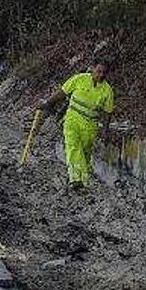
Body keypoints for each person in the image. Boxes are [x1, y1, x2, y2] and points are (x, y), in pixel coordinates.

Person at [39, 58, 114, 192]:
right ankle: (76, 180)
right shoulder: (79, 79)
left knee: (85, 153)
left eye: (104, 73)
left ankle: (82, 181)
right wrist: (48, 102)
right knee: (73, 147)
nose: (101, 75)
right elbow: (63, 92)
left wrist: (105, 131)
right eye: (98, 71)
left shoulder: (107, 91)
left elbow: (107, 112)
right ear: (92, 69)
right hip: (73, 119)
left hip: (90, 126)